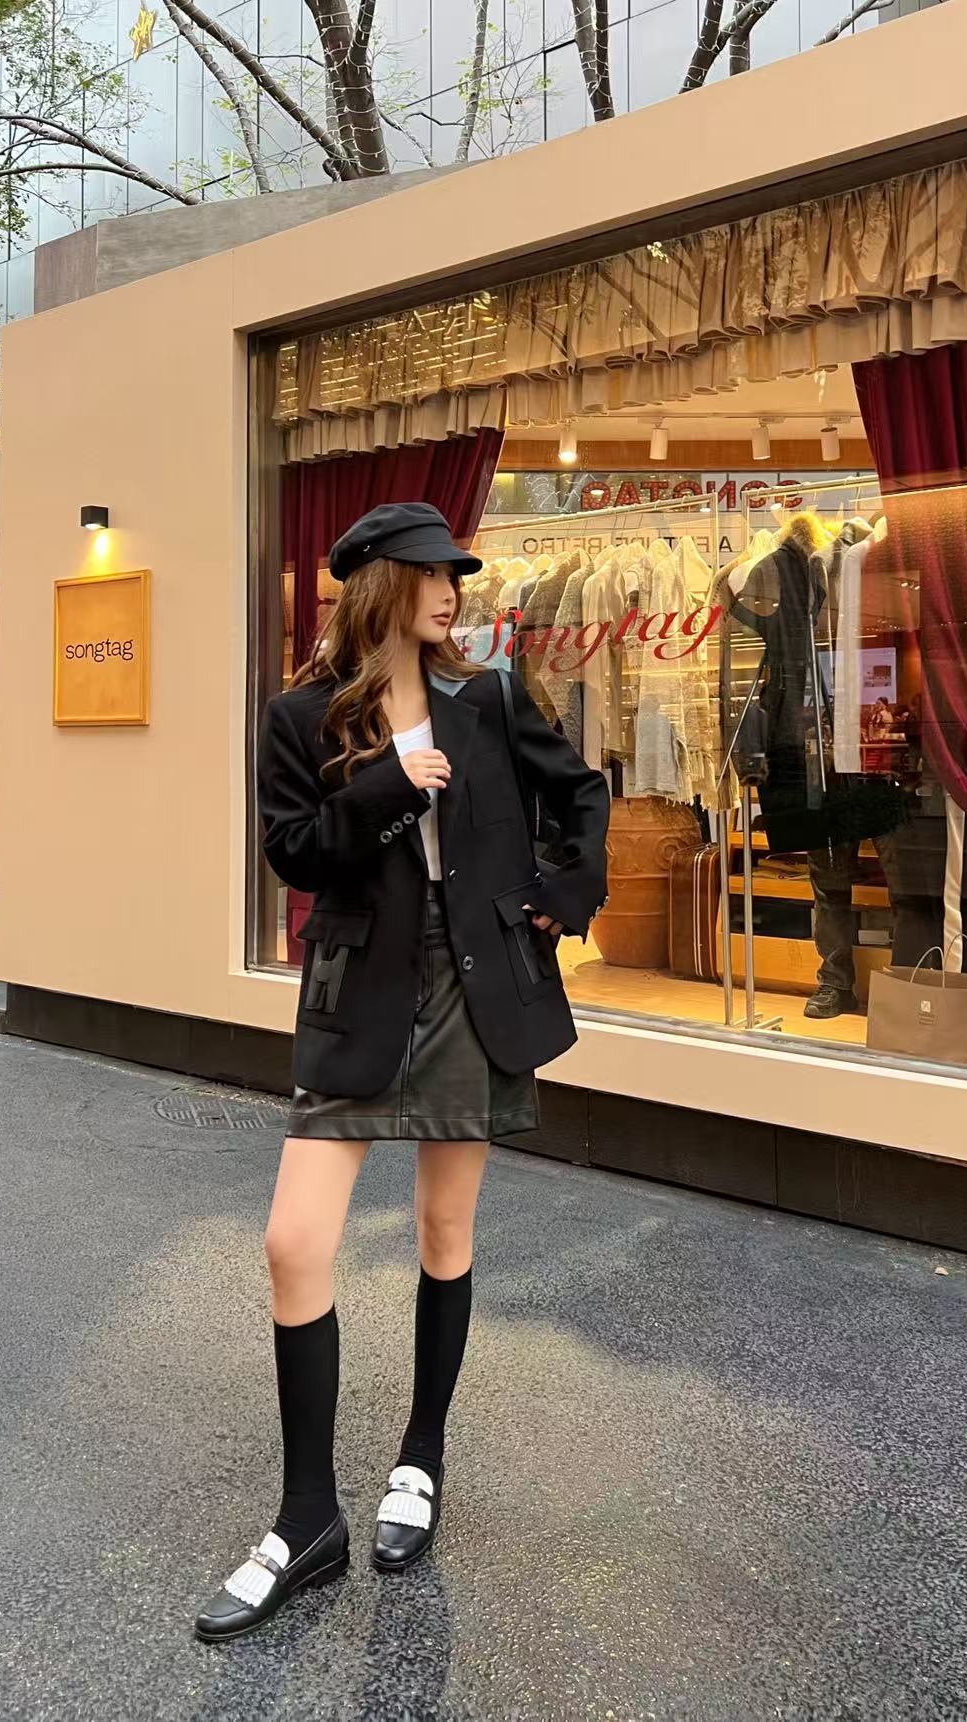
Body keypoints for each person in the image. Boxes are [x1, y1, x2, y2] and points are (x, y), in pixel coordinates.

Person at [195, 502, 611, 1642]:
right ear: (382, 582)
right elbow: (293, 850)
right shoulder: (300, 715)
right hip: (359, 987)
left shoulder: (488, 697)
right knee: (293, 1243)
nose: (451, 592)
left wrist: (564, 893)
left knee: (442, 1230)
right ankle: (307, 1519)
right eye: (433, 573)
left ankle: (420, 1460)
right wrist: (388, 782)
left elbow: (579, 793)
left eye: (454, 575)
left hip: (474, 984)